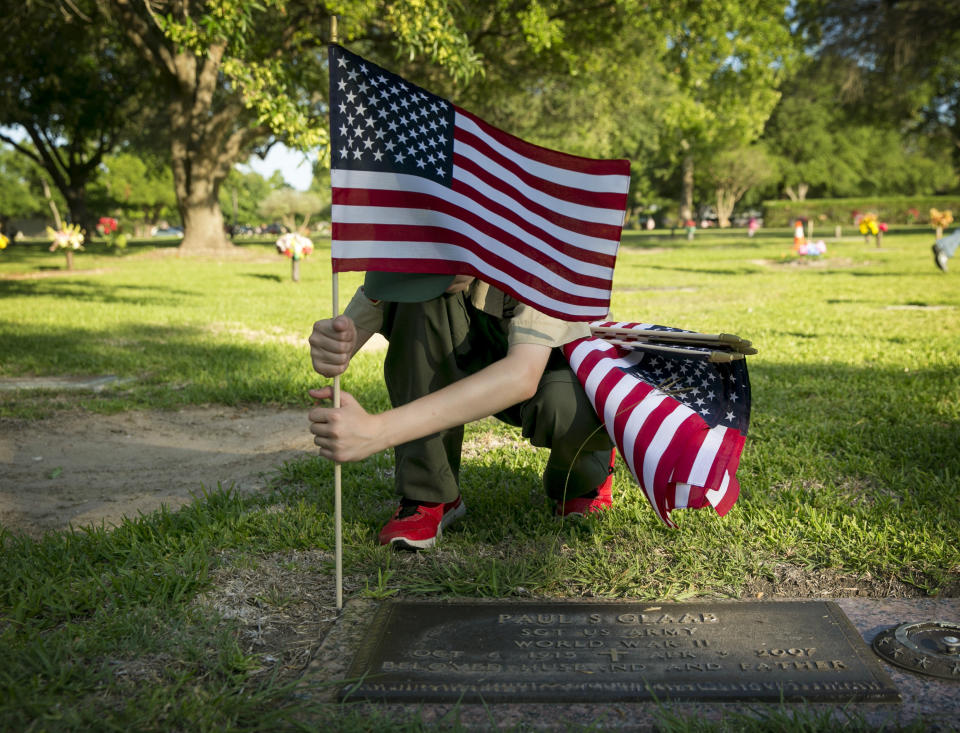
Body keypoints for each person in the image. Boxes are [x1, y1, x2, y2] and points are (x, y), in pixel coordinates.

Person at [307, 272, 616, 550]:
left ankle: (584, 474)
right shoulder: (420, 233)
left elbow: (521, 376)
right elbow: (373, 300)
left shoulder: (539, 232)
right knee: (417, 298)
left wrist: (377, 432)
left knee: (568, 410)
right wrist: (336, 345)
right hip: (474, 341)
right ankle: (428, 490)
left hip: (552, 365)